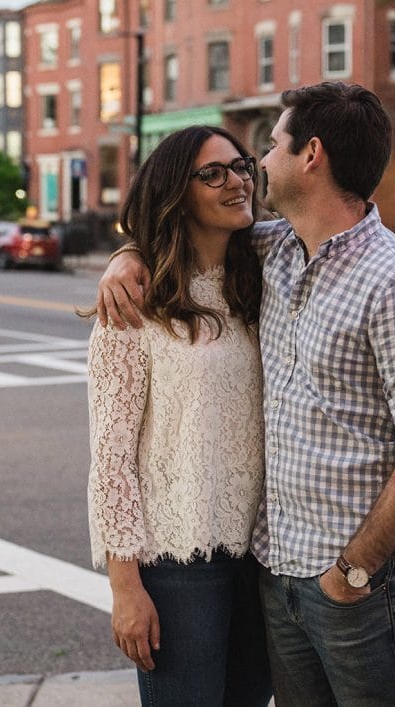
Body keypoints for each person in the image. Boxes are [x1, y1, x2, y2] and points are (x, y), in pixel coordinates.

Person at [97, 82, 395, 707]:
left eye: (263, 151)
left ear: (311, 155)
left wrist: (354, 571)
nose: (255, 168)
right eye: (223, 169)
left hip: (361, 584)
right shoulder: (275, 252)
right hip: (280, 576)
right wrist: (127, 256)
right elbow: (182, 237)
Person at [82, 125, 272, 707]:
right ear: (174, 193)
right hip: (177, 559)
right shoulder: (134, 303)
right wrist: (125, 587)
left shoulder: (267, 270)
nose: (236, 181)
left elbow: (347, 222)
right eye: (212, 173)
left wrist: (127, 250)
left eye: (240, 166)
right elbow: (111, 458)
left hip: (265, 557)